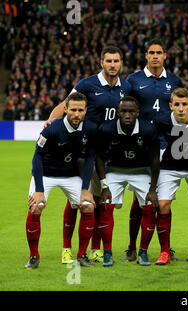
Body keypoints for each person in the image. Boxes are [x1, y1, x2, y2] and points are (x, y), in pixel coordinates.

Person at [45, 46, 131, 264]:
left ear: (121, 63)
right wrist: (50, 120)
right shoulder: (87, 85)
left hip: (110, 152)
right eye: (109, 61)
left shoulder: (126, 87)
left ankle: (94, 249)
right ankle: (67, 248)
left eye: (116, 61)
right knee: (78, 201)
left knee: (100, 200)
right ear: (101, 62)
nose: (112, 64)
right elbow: (65, 105)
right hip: (84, 149)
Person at [124, 38, 183, 262]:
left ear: (165, 55)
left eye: (159, 52)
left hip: (168, 145)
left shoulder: (174, 80)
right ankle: (132, 247)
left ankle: (165, 249)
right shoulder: (134, 80)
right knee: (141, 198)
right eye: (151, 52)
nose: (155, 56)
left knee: (163, 199)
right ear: (146, 56)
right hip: (142, 145)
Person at [25, 92, 97, 269]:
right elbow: (37, 158)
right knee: (36, 207)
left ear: (86, 111)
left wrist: (85, 188)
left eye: (80, 110)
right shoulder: (52, 129)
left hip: (70, 175)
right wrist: (39, 189)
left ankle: (81, 255)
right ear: (65, 109)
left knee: (88, 205)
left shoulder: (90, 129)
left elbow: (90, 159)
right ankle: (34, 256)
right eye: (73, 110)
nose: (76, 114)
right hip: (45, 174)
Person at [95, 96, 160, 267]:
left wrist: (153, 189)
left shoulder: (148, 130)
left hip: (140, 172)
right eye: (124, 111)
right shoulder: (106, 129)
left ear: (137, 113)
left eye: (131, 111)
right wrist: (104, 186)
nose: (127, 115)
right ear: (118, 113)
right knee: (105, 206)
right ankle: (107, 253)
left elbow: (155, 159)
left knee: (149, 206)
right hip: (115, 171)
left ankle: (143, 252)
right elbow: (99, 157)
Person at [151, 87, 188, 265]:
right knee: (163, 204)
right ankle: (165, 251)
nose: (181, 108)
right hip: (169, 166)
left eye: (184, 104)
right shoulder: (161, 121)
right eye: (177, 105)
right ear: (170, 106)